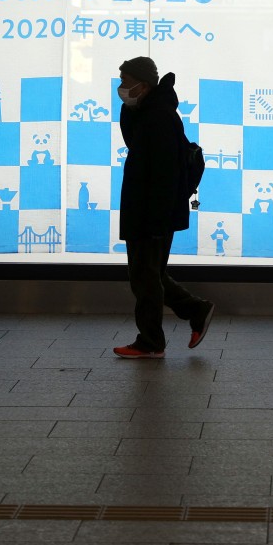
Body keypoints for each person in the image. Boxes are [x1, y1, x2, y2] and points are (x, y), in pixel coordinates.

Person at [113, 56, 215, 358]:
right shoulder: (147, 111)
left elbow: (163, 175)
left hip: (151, 212)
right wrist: (130, 109)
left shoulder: (158, 117)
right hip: (148, 209)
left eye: (125, 83)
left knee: (144, 276)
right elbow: (134, 144)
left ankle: (151, 341)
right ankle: (197, 310)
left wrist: (157, 221)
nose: (121, 88)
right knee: (150, 274)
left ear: (142, 85)